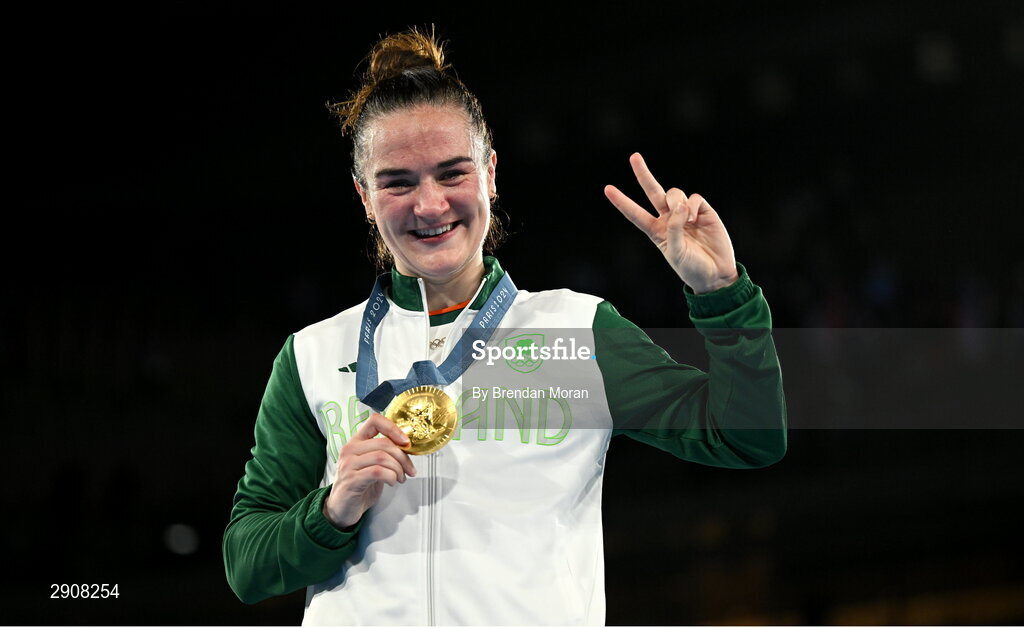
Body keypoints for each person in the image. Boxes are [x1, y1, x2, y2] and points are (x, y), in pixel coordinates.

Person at [222, 26, 787, 626]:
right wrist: (331, 510)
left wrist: (722, 296)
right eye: (398, 182)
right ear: (364, 196)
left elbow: (746, 438)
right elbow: (246, 566)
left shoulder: (576, 331)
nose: (430, 204)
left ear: (491, 173)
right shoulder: (312, 354)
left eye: (452, 173)